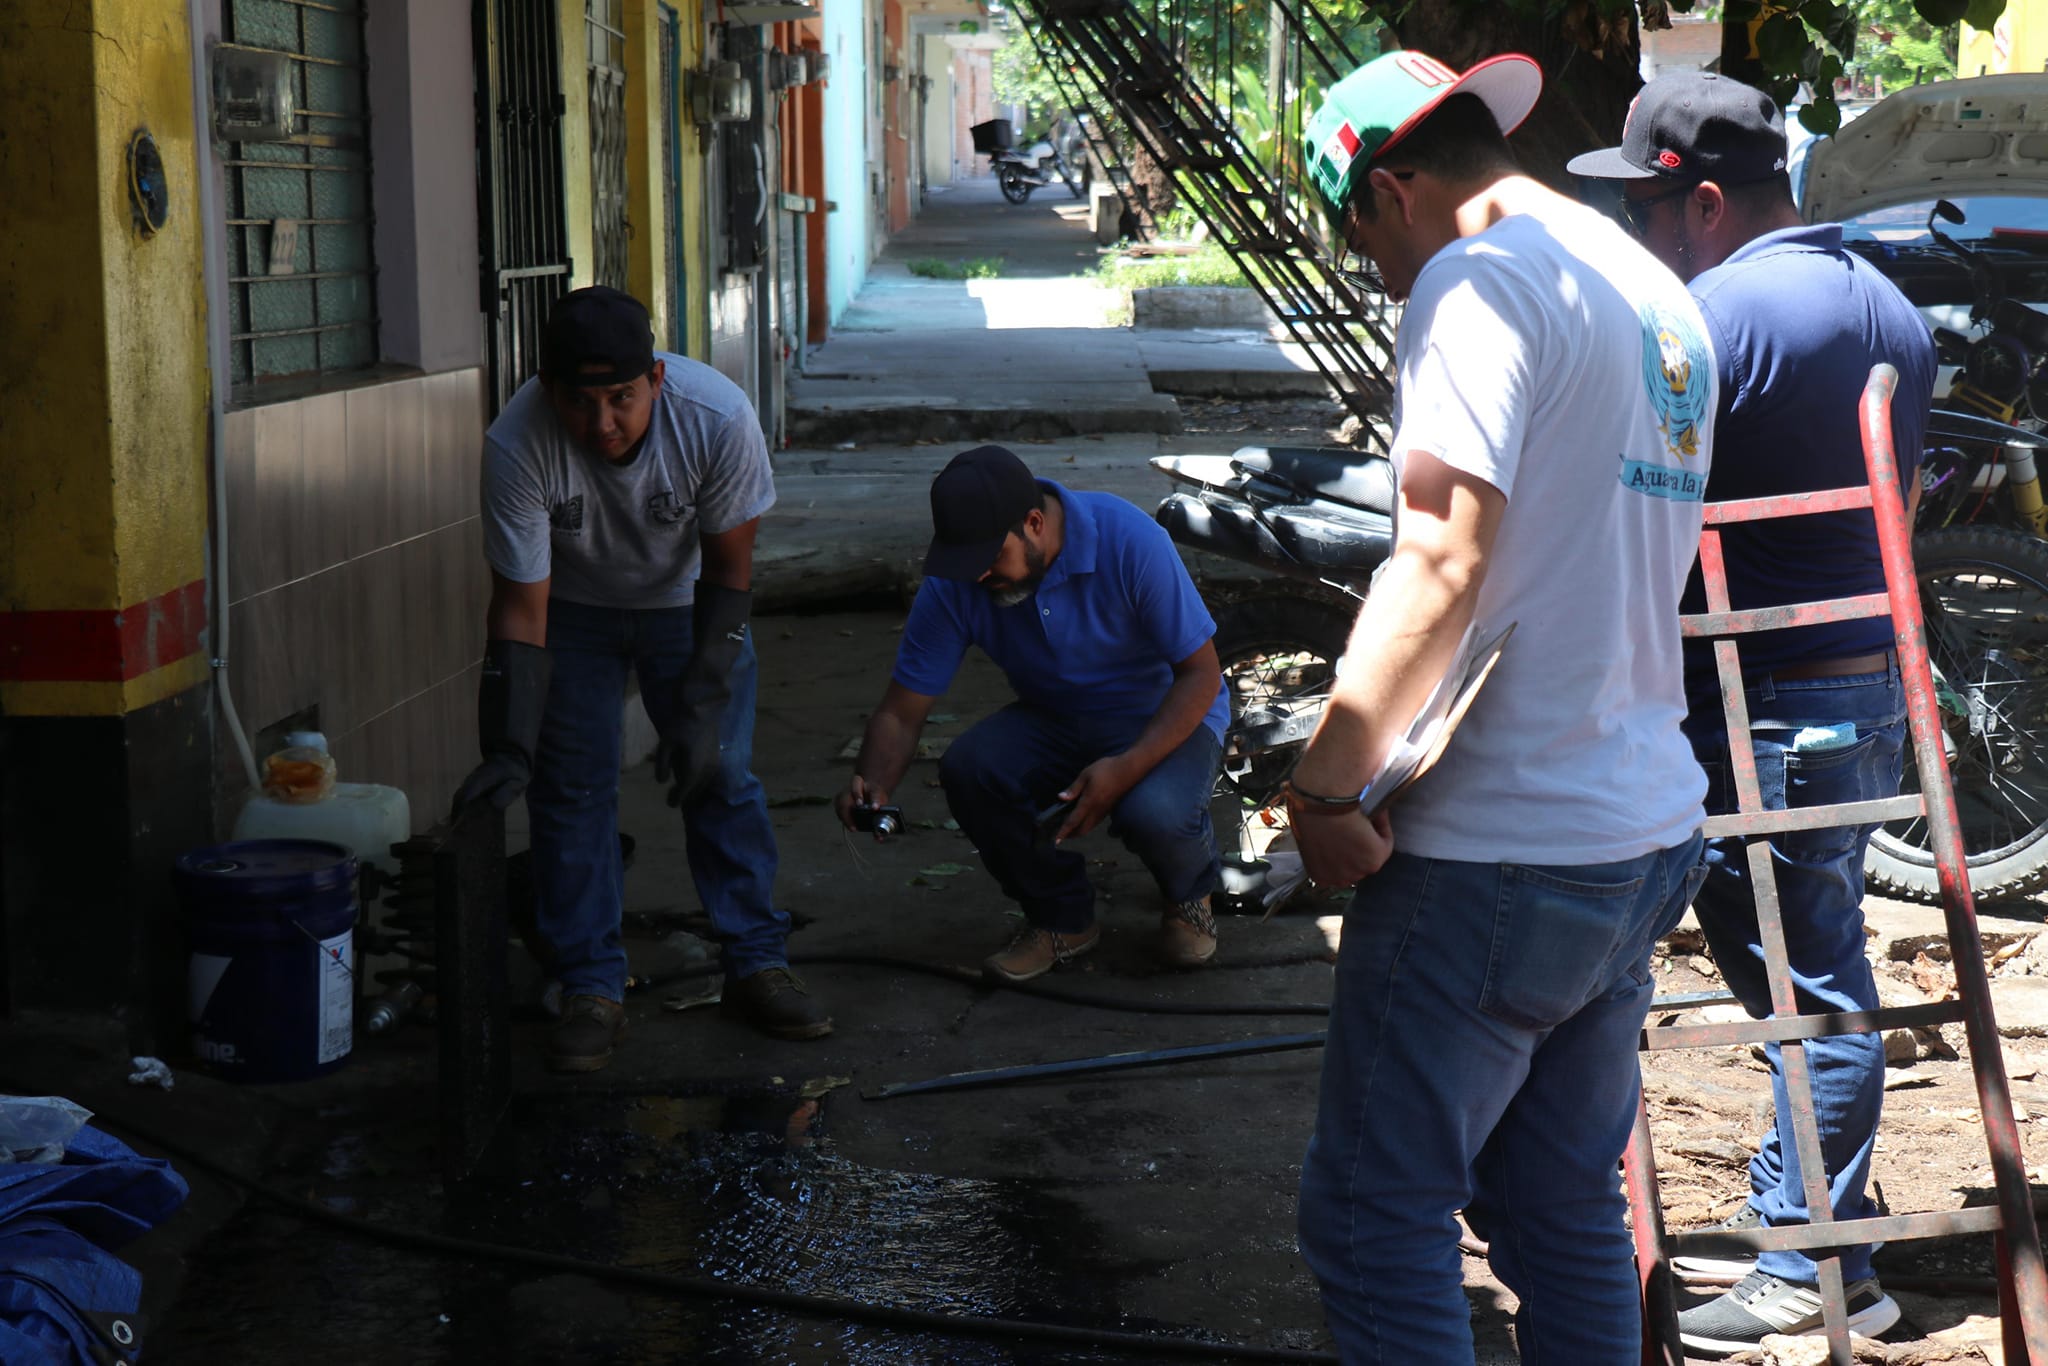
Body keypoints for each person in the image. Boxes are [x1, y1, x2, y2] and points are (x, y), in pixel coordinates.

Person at [1287, 50, 1715, 1362]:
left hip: (1503, 851)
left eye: (1361, 236)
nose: (1376, 273)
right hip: (1637, 831)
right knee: (1561, 1200)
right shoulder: (1649, 289)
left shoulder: (1476, 282)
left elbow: (1441, 555)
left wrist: (1322, 782)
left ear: (1396, 187)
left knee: (1374, 1211)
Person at [1570, 71, 1934, 1354]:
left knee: (1802, 980)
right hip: (1863, 685)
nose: (1636, 237)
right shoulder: (1887, 307)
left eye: (1647, 209)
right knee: (1811, 954)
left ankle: (1807, 1263)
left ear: (1704, 201)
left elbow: (1631, 510)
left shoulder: (1704, 317)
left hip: (1755, 695)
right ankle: (1822, 1230)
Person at [454, 286, 830, 1072]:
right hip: (574, 613)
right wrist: (508, 740)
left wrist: (701, 700)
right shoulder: (516, 444)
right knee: (570, 789)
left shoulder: (716, 417)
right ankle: (591, 983)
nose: (602, 424)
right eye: (580, 402)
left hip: (691, 604)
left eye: (621, 398)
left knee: (721, 774)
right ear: (548, 389)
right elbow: (522, 609)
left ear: (656, 380)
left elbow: (732, 575)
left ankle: (755, 962)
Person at [835, 444, 1227, 980]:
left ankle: (1191, 894)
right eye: (965, 563)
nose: (976, 577)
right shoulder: (957, 582)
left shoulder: (1129, 540)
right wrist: (872, 783)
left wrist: (1125, 769)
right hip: (1057, 715)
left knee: (1153, 812)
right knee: (971, 769)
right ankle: (1060, 917)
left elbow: (1201, 675)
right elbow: (903, 713)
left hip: (1166, 712)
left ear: (1034, 523)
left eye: (988, 560)